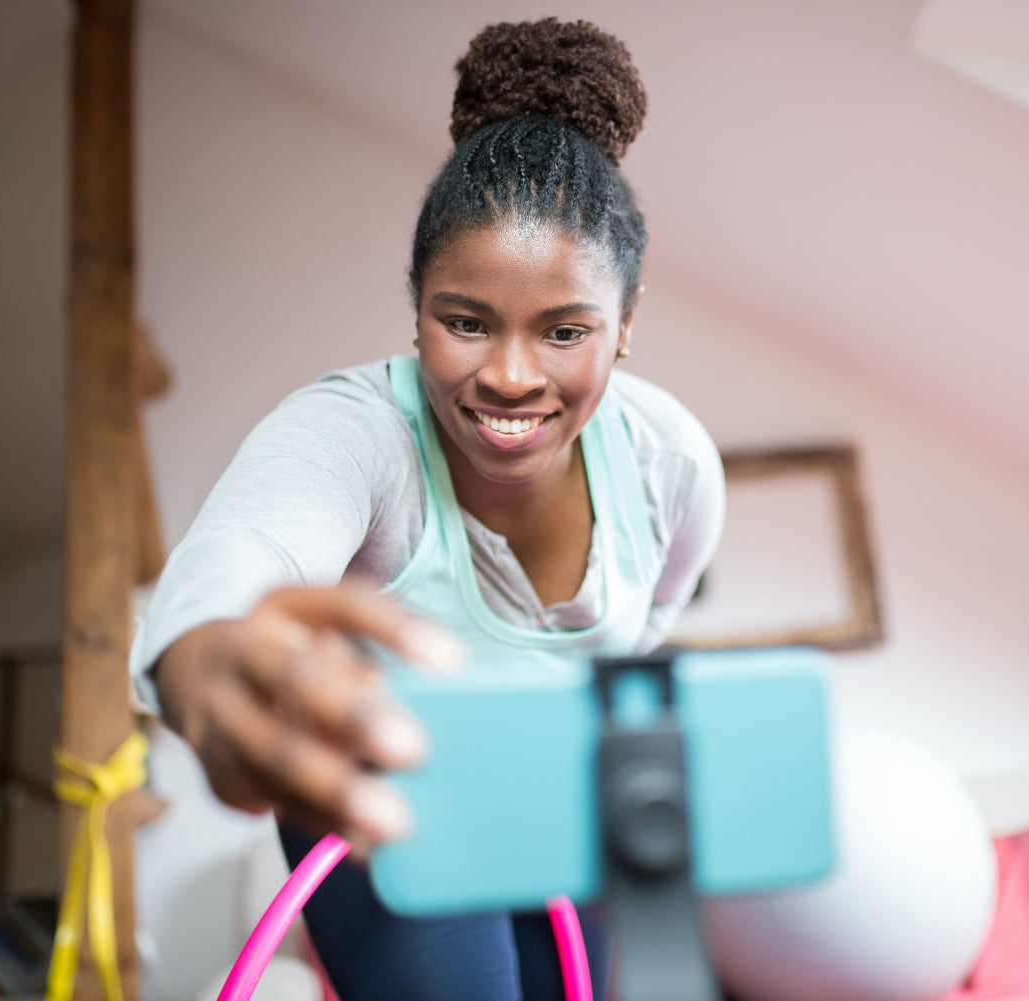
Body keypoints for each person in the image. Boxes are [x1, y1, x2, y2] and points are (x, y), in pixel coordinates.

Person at [129, 16, 726, 1001]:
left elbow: (642, 633)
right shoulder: (356, 435)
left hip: (557, 792)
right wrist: (214, 661)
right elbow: (230, 570)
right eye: (465, 320)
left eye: (566, 328)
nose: (510, 376)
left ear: (625, 326)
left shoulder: (672, 467)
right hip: (380, 792)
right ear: (416, 307)